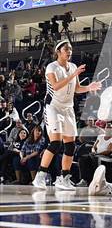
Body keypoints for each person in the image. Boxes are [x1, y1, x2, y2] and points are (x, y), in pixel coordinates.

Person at [32, 40, 102, 190]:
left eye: (70, 49)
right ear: (58, 52)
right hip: (53, 107)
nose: (69, 51)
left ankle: (63, 178)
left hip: (68, 108)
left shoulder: (73, 67)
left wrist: (89, 87)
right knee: (56, 143)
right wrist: (74, 74)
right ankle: (40, 176)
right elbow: (56, 86)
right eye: (66, 49)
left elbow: (77, 88)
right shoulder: (52, 67)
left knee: (70, 146)